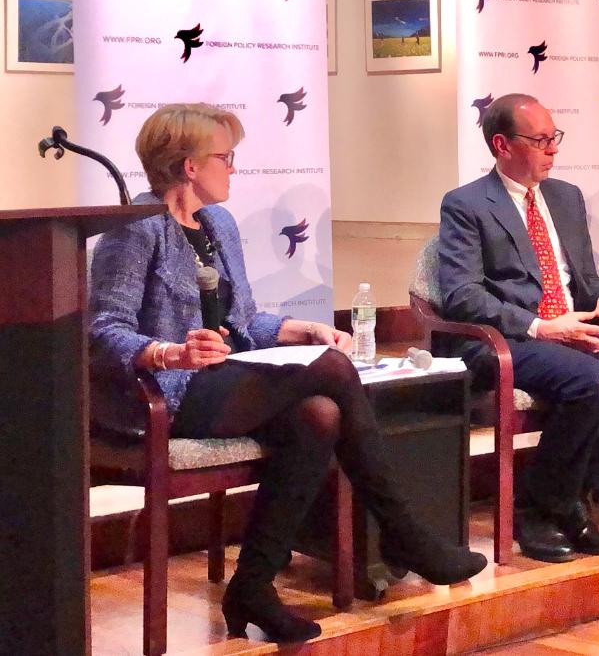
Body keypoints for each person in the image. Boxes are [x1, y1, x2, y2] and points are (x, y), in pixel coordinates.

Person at [89, 104, 485, 645]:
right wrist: (168, 352)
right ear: (187, 166)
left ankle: (251, 585)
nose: (234, 169)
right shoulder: (136, 229)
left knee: (317, 417)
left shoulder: (217, 224)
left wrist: (302, 330)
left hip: (227, 378)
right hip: (165, 394)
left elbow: (246, 321)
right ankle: (406, 532)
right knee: (334, 372)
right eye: (225, 158)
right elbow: (103, 329)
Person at [436, 93, 599, 563]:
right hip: (512, 339)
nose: (553, 149)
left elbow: (585, 278)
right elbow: (461, 296)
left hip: (574, 329)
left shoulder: (566, 197)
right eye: (541, 140)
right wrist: (540, 326)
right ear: (502, 145)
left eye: (556, 138)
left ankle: (573, 498)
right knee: (593, 383)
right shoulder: (466, 205)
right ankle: (538, 510)